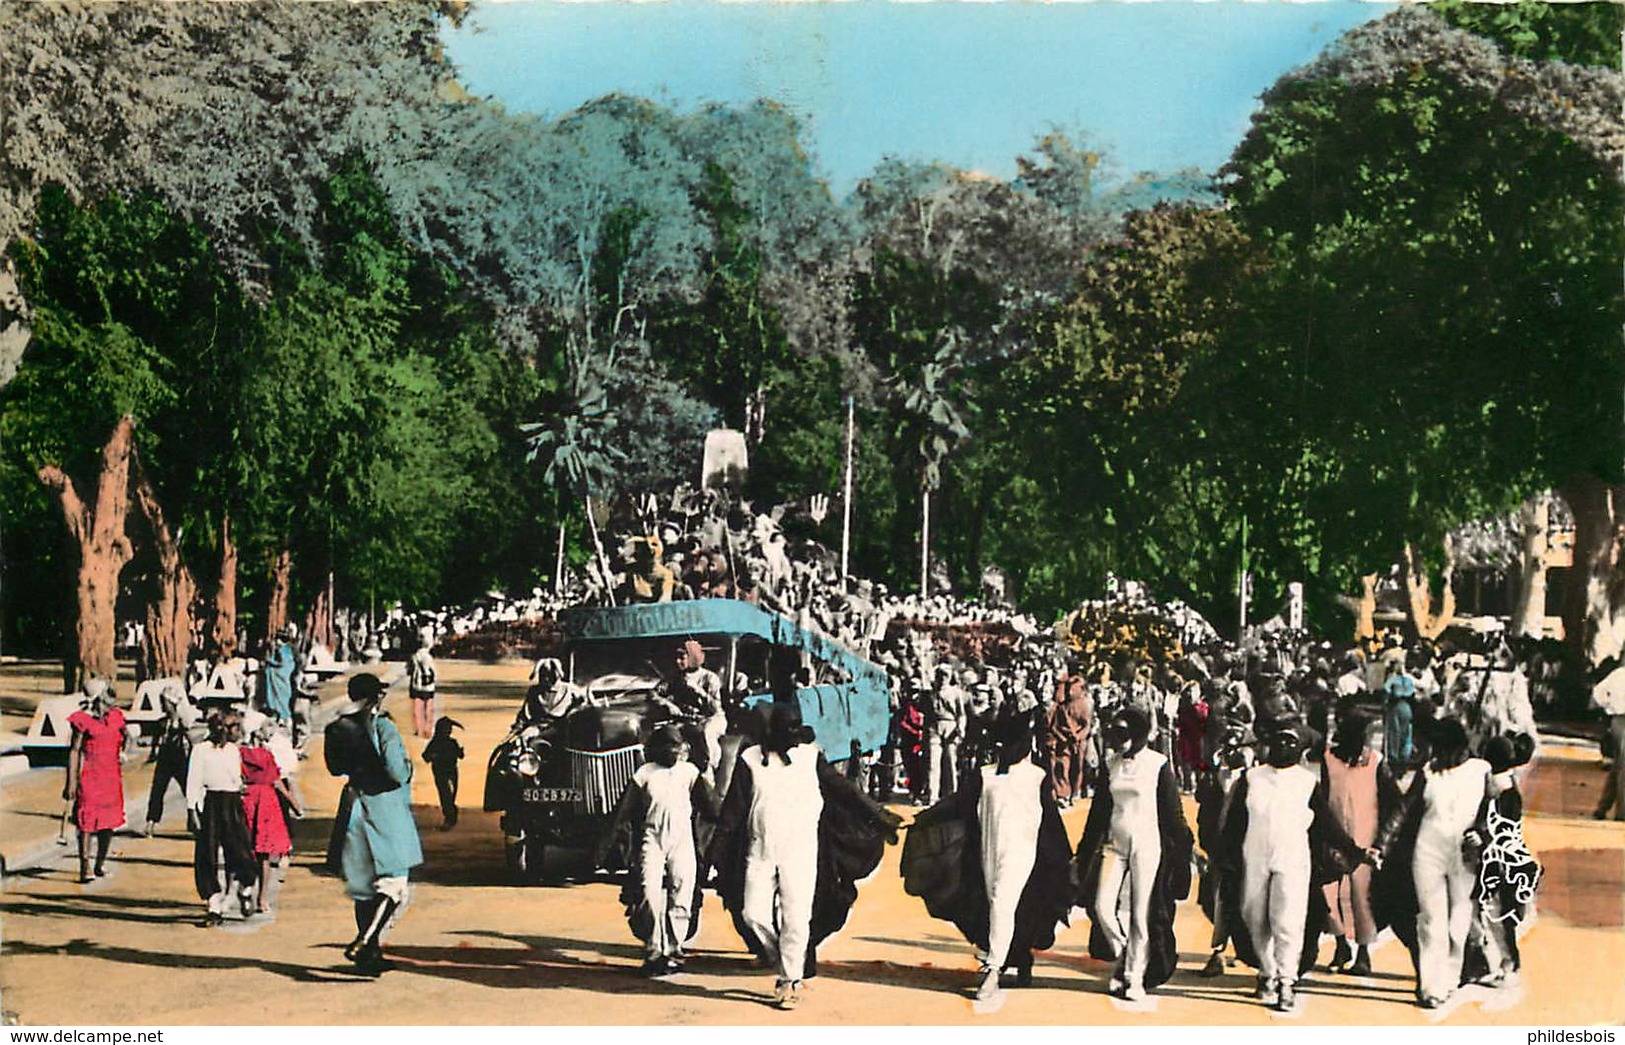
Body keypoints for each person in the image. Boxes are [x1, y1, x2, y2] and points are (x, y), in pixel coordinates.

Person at [710, 701, 900, 1010]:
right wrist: (715, 852)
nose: (793, 736)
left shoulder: (811, 758)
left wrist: (877, 814)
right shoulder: (749, 760)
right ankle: (779, 954)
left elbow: (844, 791)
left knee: (797, 918)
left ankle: (789, 980)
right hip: (759, 849)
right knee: (752, 914)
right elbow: (733, 812)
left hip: (801, 850)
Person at [901, 713, 1072, 1003]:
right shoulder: (985, 775)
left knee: (1002, 903)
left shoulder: (1037, 777)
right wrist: (922, 819)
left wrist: (1065, 858)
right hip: (986, 852)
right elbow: (956, 805)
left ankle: (992, 971)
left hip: (1023, 853)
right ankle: (1020, 956)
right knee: (995, 905)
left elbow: (1051, 821)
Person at [1213, 724, 1376, 1012]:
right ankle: (1267, 971)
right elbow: (1234, 825)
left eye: (1290, 742)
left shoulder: (1306, 781)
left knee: (1287, 920)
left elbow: (1327, 825)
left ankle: (1286, 981)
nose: (1283, 747)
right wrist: (1224, 858)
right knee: (1255, 919)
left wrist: (1356, 852)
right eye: (1279, 741)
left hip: (1293, 859)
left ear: (1300, 749)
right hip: (1254, 857)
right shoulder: (1252, 779)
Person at [1373, 717, 1494, 1009]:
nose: (1437, 755)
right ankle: (1431, 986)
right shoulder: (1428, 773)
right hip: (1428, 852)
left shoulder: (1481, 771)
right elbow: (1403, 810)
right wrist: (1381, 845)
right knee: (1431, 920)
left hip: (1465, 855)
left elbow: (1493, 811)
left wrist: (1482, 833)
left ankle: (1450, 978)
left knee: (1458, 921)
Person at [1074, 707, 1193, 1002]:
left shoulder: (1158, 764)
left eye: (1125, 735)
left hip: (1148, 845)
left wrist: (1184, 850)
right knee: (1102, 907)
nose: (1119, 741)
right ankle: (1125, 952)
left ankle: (1133, 975)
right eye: (1115, 734)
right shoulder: (1110, 764)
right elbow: (1098, 813)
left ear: (1139, 735)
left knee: (1141, 915)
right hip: (1115, 843)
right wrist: (1083, 850)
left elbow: (1172, 814)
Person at [598, 723, 719, 975]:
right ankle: (654, 950)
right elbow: (622, 813)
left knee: (682, 890)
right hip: (651, 837)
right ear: (656, 750)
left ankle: (674, 948)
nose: (674, 752)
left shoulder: (690, 773)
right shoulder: (644, 774)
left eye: (677, 746)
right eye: (668, 747)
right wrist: (604, 846)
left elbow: (711, 808)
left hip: (682, 838)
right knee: (648, 892)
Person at [324, 672, 424, 973]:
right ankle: (365, 942)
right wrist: (408, 768)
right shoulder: (383, 727)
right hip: (384, 806)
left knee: (364, 886)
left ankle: (372, 955)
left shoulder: (338, 729)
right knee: (394, 884)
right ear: (376, 697)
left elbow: (334, 768)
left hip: (353, 804)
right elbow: (396, 772)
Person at [1319, 709, 1400, 976]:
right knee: (1328, 894)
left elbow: (1394, 803)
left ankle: (1363, 954)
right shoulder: (1329, 759)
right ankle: (1341, 942)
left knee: (1362, 898)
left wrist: (1382, 842)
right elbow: (1324, 796)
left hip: (1366, 839)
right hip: (1334, 837)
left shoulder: (1377, 762)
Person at [1464, 733, 1541, 988]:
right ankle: (1494, 964)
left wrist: (1483, 839)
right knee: (1490, 914)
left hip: (1497, 862)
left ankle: (1506, 966)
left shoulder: (1502, 790)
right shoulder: (1506, 786)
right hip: (1498, 860)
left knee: (1494, 915)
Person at [186, 708, 258, 925]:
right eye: (234, 727)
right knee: (207, 855)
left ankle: (245, 890)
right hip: (210, 804)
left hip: (233, 803)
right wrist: (192, 811)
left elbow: (236, 779)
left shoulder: (233, 750)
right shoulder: (201, 750)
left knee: (242, 852)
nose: (238, 731)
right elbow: (194, 781)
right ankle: (214, 905)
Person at [65, 679, 129, 884]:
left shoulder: (116, 717)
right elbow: (74, 751)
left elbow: (126, 735)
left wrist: (122, 752)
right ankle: (85, 867)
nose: (109, 703)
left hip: (111, 776)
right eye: (104, 699)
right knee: (86, 823)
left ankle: (99, 864)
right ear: (96, 700)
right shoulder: (83, 720)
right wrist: (71, 782)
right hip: (90, 776)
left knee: (108, 823)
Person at [241, 713, 301, 913]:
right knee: (264, 855)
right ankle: (262, 898)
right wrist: (294, 803)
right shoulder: (267, 755)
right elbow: (277, 782)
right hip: (266, 804)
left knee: (244, 850)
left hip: (247, 801)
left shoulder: (239, 753)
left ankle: (245, 888)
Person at [144, 682, 196, 836]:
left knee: (189, 791)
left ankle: (193, 820)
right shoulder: (162, 722)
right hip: (165, 759)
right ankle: (151, 822)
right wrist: (153, 753)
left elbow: (190, 739)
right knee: (157, 790)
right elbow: (156, 740)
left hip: (180, 759)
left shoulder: (183, 721)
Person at [1045, 671, 1093, 808]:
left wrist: (1078, 736)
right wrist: (1062, 737)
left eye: (1073, 689)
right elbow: (1055, 726)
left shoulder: (1085, 705)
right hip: (1063, 741)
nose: (1069, 692)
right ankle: (1063, 793)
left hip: (1078, 742)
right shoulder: (1062, 707)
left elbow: (1087, 725)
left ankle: (1076, 791)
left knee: (1078, 767)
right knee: (1062, 766)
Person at [926, 667, 970, 804]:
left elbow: (961, 714)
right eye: (940, 675)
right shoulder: (930, 693)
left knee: (950, 761)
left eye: (945, 675)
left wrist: (960, 729)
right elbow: (927, 713)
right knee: (933, 763)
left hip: (950, 726)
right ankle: (932, 795)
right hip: (935, 726)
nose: (942, 678)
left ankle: (951, 795)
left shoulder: (956, 693)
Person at [422, 717, 465, 830]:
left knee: (449, 794)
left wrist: (460, 752)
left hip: (450, 770)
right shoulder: (436, 743)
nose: (449, 730)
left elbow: (460, 756)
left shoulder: (451, 742)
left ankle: (450, 815)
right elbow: (425, 756)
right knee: (446, 794)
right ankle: (450, 816)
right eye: (447, 728)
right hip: (441, 772)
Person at [262, 625, 299, 726]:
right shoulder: (289, 649)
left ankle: (284, 716)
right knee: (284, 698)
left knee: (281, 697)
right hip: (286, 677)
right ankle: (283, 717)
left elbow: (281, 664)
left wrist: (269, 662)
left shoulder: (282, 650)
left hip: (281, 677)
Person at [407, 631, 438, 739]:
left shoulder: (414, 656)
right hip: (428, 685)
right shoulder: (428, 657)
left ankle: (418, 729)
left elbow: (409, 670)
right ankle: (428, 729)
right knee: (428, 708)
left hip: (415, 684)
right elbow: (432, 671)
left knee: (417, 708)